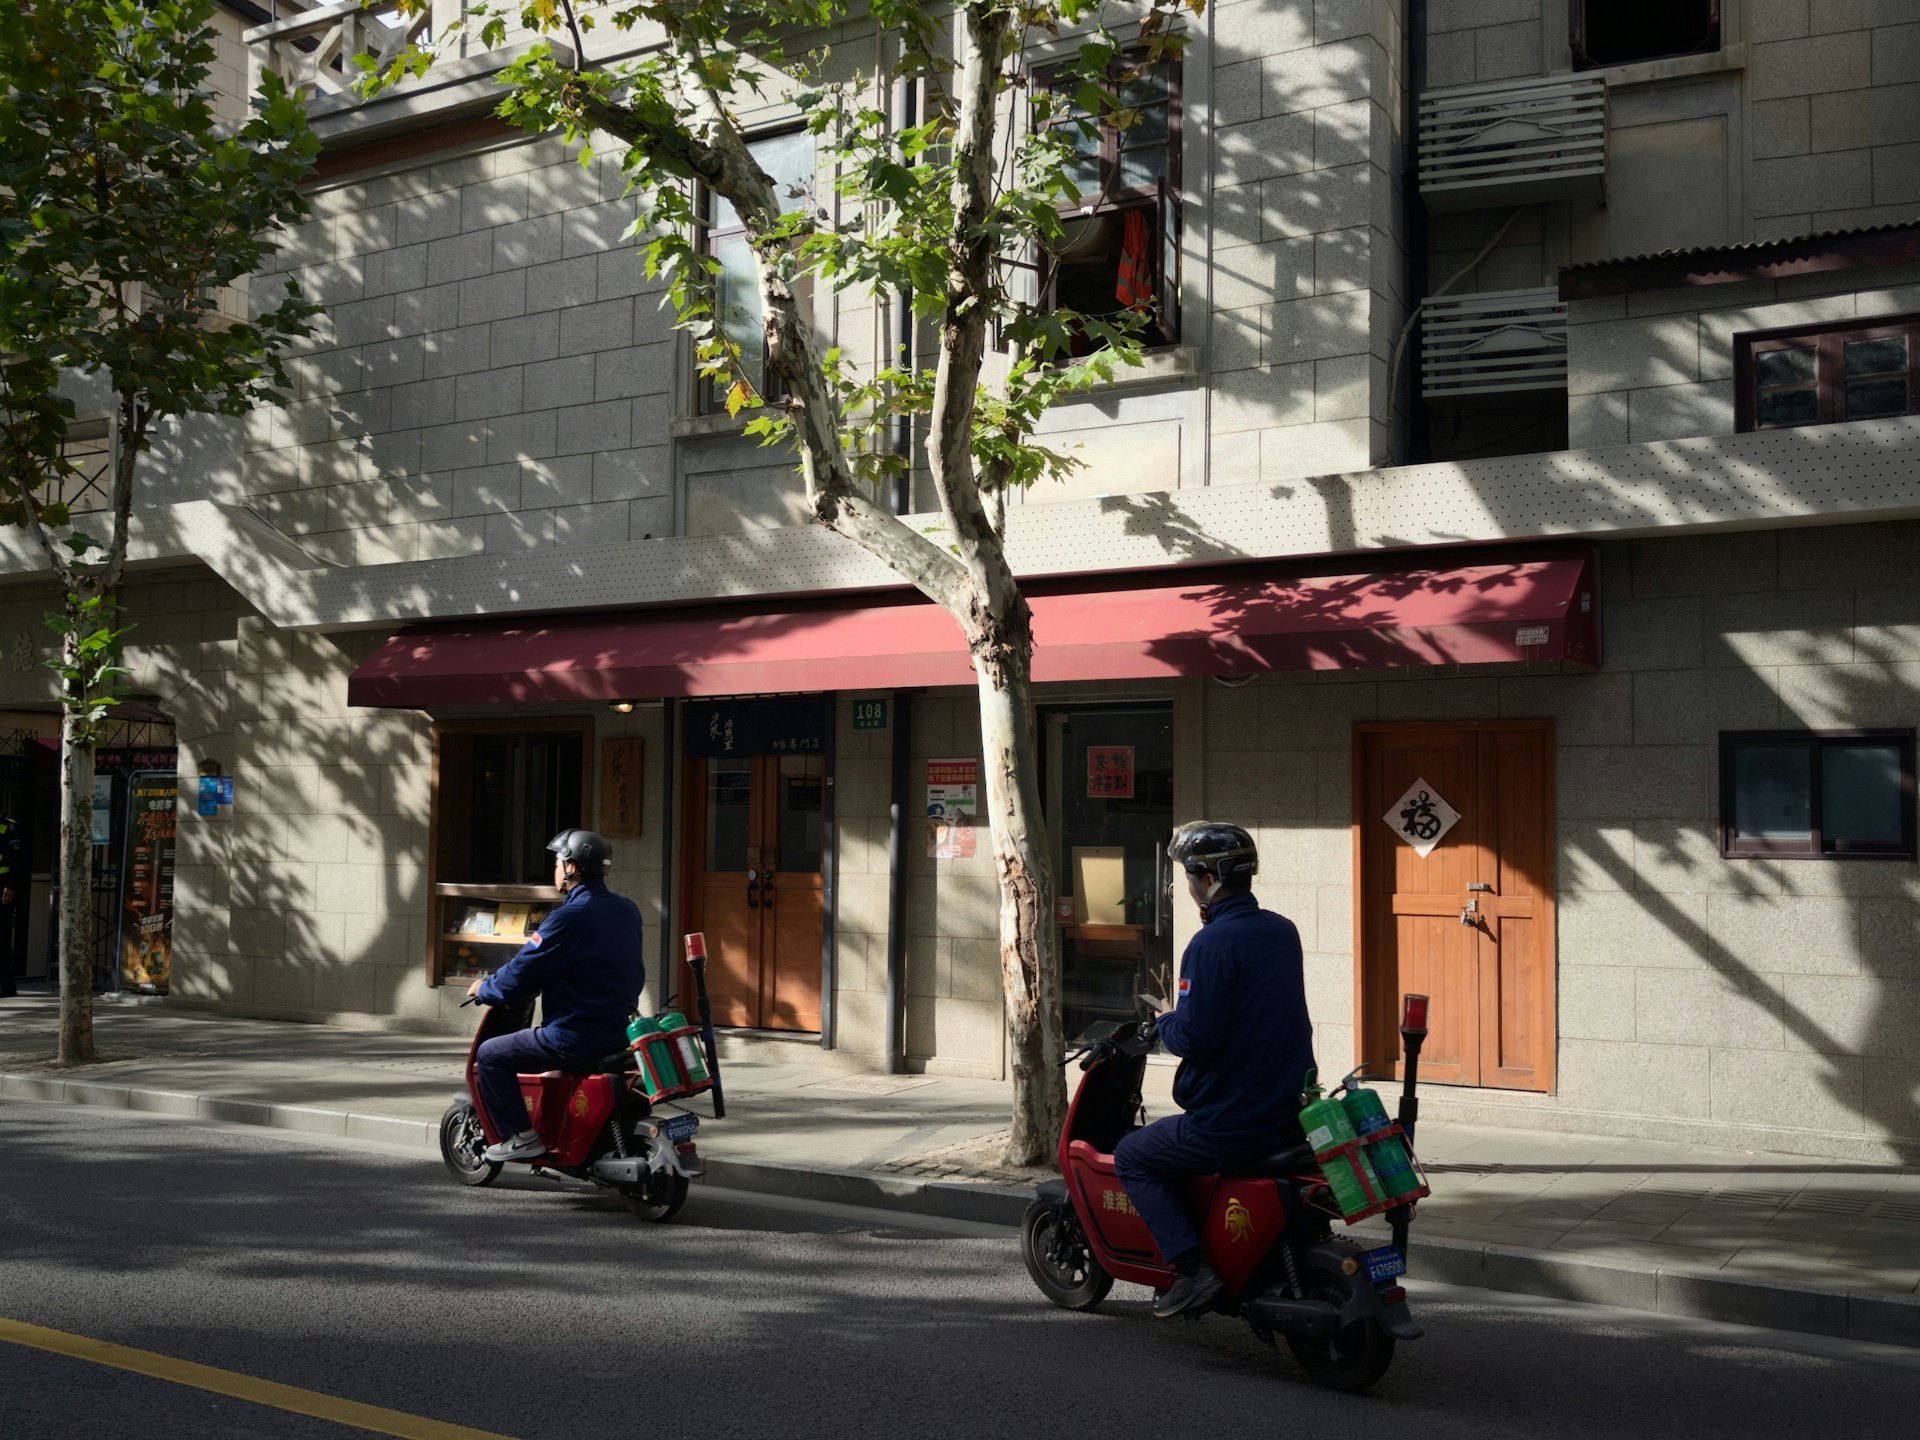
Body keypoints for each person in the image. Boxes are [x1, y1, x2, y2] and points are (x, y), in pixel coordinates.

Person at [1113, 821, 1316, 1319]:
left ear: (1208, 879)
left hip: (1230, 1122)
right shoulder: (1281, 930)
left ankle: (1190, 1271)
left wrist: (1166, 1024)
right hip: (1290, 1114)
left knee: (1132, 1155)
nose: (1186, 884)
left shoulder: (1208, 945)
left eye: (1189, 874)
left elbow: (1198, 1039)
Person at [465, 829, 645, 1163]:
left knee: (490, 1055)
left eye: (558, 862)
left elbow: (522, 971)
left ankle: (521, 1137)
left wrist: (486, 987)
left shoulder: (567, 918)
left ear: (571, 867)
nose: (556, 869)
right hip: (618, 1031)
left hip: (574, 1035)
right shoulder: (626, 909)